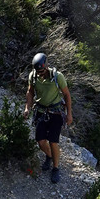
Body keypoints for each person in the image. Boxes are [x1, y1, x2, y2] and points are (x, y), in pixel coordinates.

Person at [25, 52, 74, 184]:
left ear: (46, 66)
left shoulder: (58, 77)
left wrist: (69, 114)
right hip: (41, 111)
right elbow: (30, 92)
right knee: (41, 142)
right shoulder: (33, 76)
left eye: (41, 71)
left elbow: (67, 95)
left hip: (55, 112)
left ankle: (56, 168)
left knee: (53, 142)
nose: (40, 74)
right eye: (38, 71)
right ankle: (50, 156)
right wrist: (27, 108)